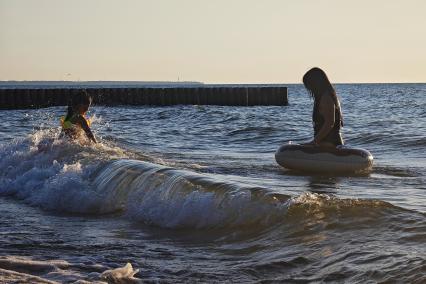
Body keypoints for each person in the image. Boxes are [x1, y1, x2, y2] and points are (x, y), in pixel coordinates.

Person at [303, 67, 343, 147]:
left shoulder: (326, 98)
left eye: (308, 84)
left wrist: (314, 142)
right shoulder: (327, 96)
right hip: (326, 142)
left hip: (330, 143)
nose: (308, 88)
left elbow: (330, 123)